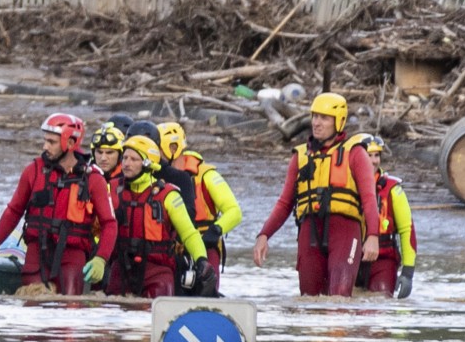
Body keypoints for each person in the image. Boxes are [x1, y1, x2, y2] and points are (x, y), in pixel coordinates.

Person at [253, 92, 380, 297]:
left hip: (345, 232)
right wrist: (264, 235)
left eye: (324, 118)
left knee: (338, 300)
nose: (317, 123)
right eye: (314, 116)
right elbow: (285, 202)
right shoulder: (300, 156)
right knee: (309, 300)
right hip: (309, 233)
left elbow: (369, 200)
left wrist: (373, 236)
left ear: (338, 122)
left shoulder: (356, 154)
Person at [0, 113, 117, 295]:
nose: (45, 147)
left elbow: (109, 223)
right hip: (37, 254)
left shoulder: (93, 179)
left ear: (70, 143)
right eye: (45, 141)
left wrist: (100, 258)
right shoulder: (33, 171)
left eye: (51, 142)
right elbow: (14, 211)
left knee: (69, 309)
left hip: (72, 257)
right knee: (31, 303)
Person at [106, 135, 215, 299]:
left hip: (157, 272)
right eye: (125, 158)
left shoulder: (168, 195)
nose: (126, 163)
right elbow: (99, 228)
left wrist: (202, 260)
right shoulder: (111, 189)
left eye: (134, 159)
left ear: (148, 163)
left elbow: (189, 234)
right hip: (120, 269)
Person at [157, 120, 242, 294]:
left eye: (156, 150)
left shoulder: (206, 176)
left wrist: (216, 231)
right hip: (174, 250)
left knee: (206, 293)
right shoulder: (157, 178)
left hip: (206, 244)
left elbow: (234, 212)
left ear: (172, 148)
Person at [354, 134, 417, 298]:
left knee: (379, 304)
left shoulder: (393, 189)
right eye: (368, 156)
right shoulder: (345, 186)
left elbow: (407, 230)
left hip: (383, 261)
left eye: (377, 156)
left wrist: (407, 272)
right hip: (351, 259)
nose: (373, 161)